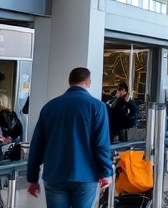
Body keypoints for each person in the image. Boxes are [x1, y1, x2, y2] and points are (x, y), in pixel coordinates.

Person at [26, 68, 112, 208]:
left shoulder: (50, 107)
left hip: (55, 173)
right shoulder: (97, 106)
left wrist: (32, 178)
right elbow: (101, 144)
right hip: (86, 175)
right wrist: (106, 172)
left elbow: (37, 144)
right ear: (88, 83)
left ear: (69, 82)